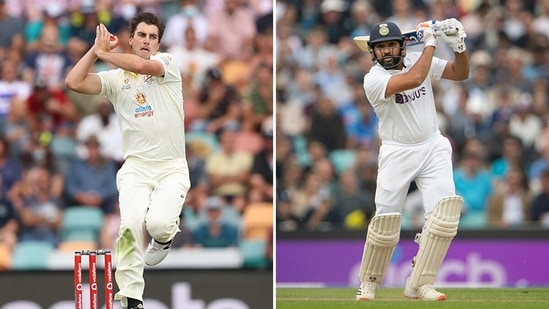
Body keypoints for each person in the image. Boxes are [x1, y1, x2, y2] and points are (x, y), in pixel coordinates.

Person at [64, 12, 191, 309]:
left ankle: (164, 238)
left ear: (158, 43)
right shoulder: (114, 79)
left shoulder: (168, 65)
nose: (147, 41)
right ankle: (131, 297)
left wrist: (105, 53)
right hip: (135, 168)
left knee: (158, 224)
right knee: (130, 225)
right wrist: (95, 51)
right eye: (142, 35)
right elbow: (73, 81)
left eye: (153, 37)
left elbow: (139, 65)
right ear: (131, 39)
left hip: (171, 167)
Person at [354, 20, 470, 301]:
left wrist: (458, 46)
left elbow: (460, 73)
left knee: (444, 218)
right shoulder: (373, 79)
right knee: (386, 222)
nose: (386, 51)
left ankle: (420, 284)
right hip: (397, 151)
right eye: (380, 48)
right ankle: (369, 283)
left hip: (433, 146)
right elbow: (415, 79)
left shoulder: (419, 58)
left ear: (403, 45)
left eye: (391, 44)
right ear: (372, 54)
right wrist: (430, 42)